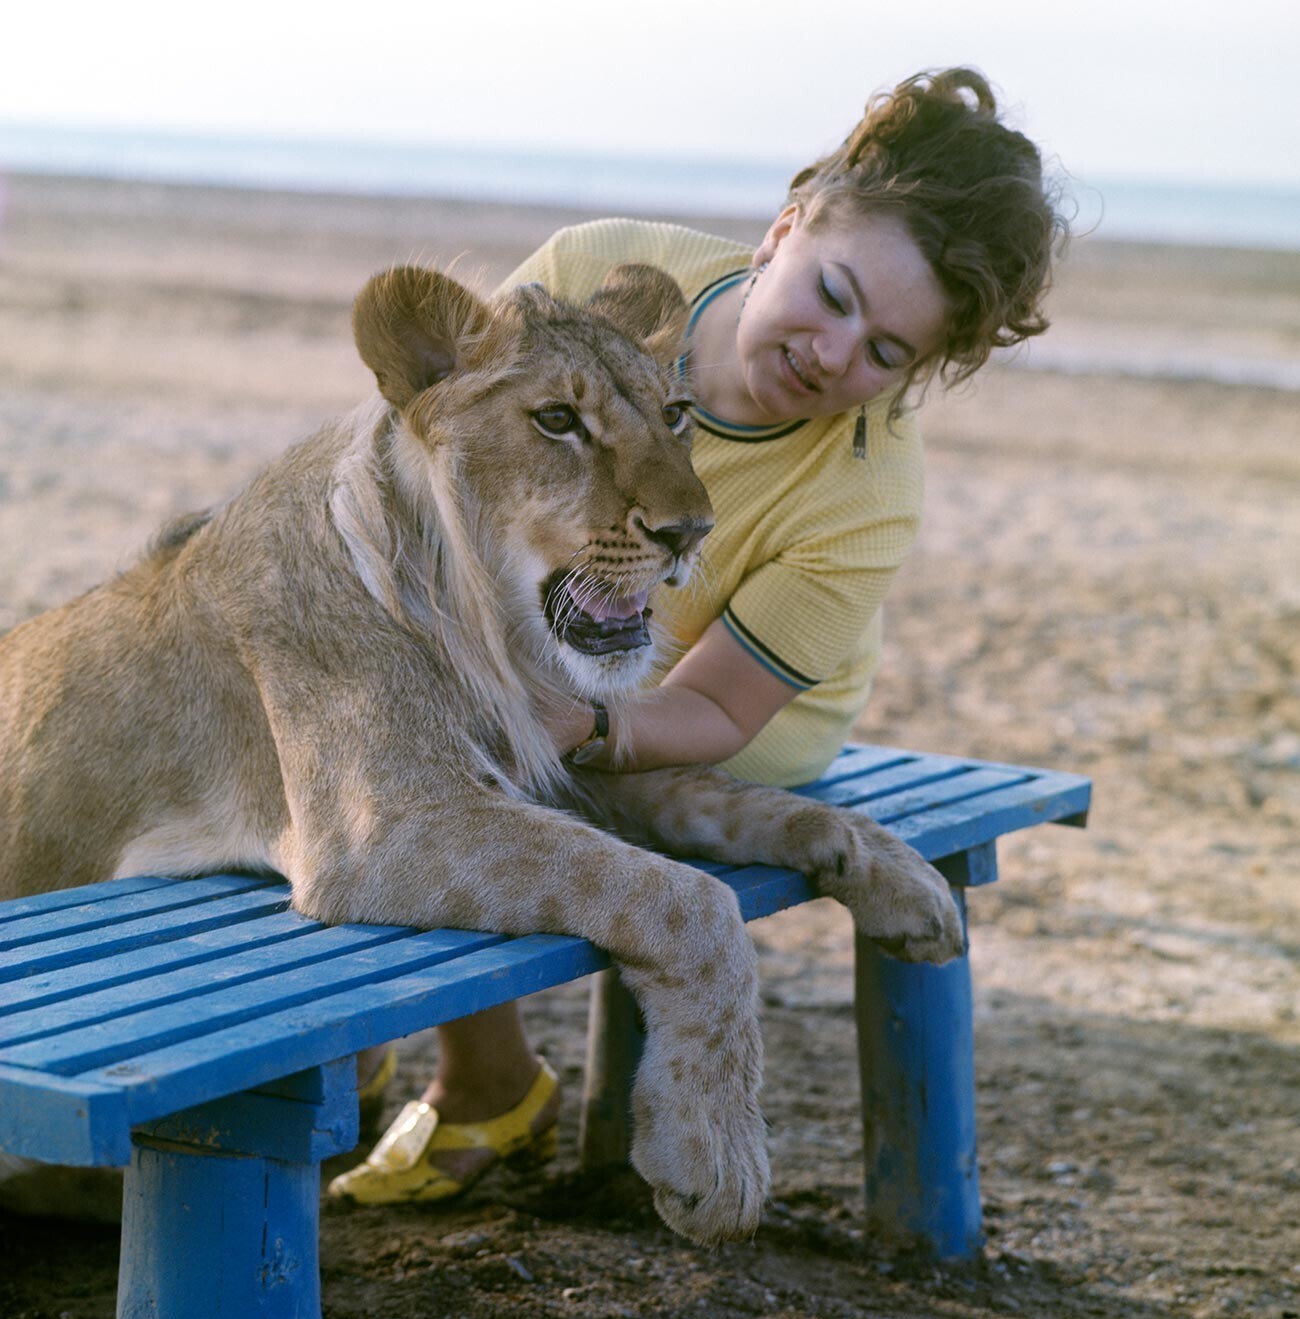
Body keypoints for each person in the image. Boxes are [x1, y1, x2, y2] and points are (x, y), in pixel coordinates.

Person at [328, 66, 1067, 1206]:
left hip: (714, 707)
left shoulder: (867, 493)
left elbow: (716, 708)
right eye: (830, 293)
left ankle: (484, 1079)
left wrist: (567, 718)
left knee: (476, 773)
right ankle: (367, 1028)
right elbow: (443, 456)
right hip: (552, 619)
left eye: (884, 354)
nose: (834, 353)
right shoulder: (597, 269)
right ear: (782, 232)